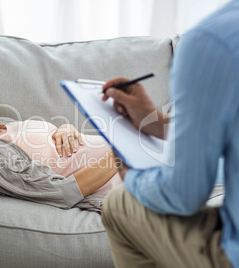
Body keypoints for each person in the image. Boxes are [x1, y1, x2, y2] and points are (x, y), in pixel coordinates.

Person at [100, 1, 238, 267]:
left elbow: (184, 194)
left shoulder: (212, 41)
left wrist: (132, 177)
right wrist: (157, 123)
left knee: (118, 204)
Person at [0, 58, 122, 212]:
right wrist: (121, 153)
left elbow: (50, 147)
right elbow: (61, 193)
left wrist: (65, 128)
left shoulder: (4, 124)